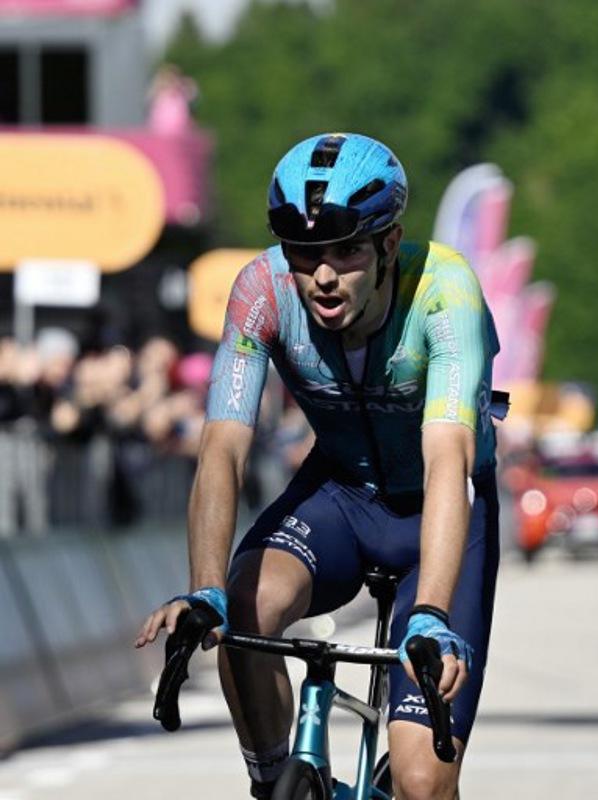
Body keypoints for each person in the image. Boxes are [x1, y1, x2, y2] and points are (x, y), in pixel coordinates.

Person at [135, 133, 502, 799]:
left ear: (388, 245)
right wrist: (206, 589)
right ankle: (278, 780)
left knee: (422, 782)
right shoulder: (261, 291)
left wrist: (430, 613)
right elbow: (223, 447)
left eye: (346, 250)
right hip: (338, 497)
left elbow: (449, 459)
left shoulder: (444, 295)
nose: (323, 275)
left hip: (439, 516)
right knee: (246, 607)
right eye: (305, 253)